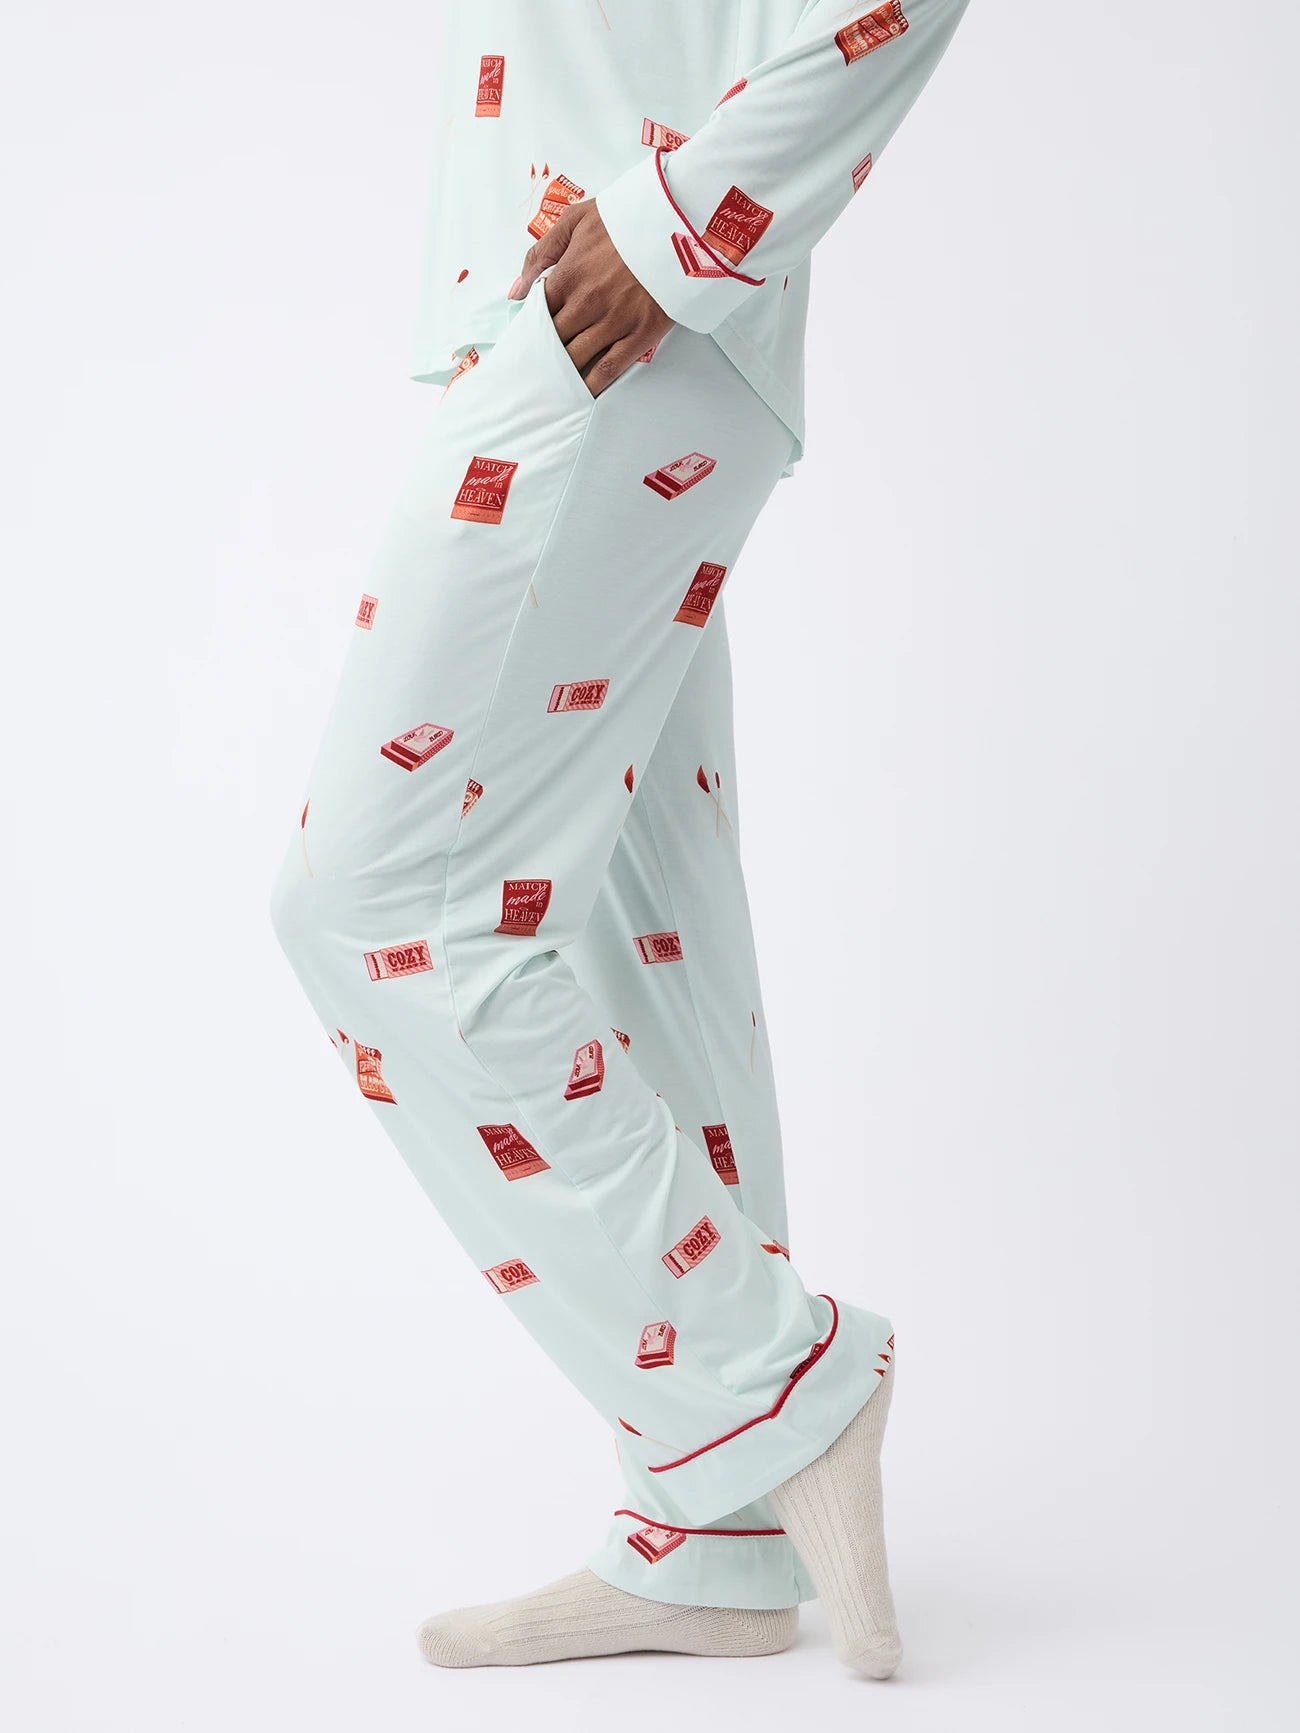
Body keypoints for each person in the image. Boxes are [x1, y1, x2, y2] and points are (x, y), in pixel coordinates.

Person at [269, 0, 972, 1679]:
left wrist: (675, 228)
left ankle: (778, 1376)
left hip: (622, 304)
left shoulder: (647, 258)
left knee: (378, 906)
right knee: (613, 914)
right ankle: (712, 1536)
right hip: (579, 307)